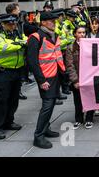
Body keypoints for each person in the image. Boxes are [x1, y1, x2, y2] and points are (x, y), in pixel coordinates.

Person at [26, 11, 65, 149]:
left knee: (51, 103)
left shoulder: (52, 35)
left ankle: (46, 128)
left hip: (54, 74)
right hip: (45, 76)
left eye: (54, 21)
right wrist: (41, 80)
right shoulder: (35, 37)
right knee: (47, 105)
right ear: (43, 23)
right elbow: (32, 62)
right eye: (51, 21)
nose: (54, 23)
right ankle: (38, 136)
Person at [0, 14, 28, 143]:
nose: (13, 26)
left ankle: (9, 121)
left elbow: (26, 40)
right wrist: (20, 44)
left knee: (14, 99)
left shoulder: (17, 34)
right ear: (2, 24)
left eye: (14, 23)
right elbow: (4, 48)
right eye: (10, 24)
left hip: (16, 71)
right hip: (2, 72)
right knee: (1, 100)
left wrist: (19, 42)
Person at [65, 26, 95, 130]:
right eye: (79, 32)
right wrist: (75, 80)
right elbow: (70, 66)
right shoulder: (70, 48)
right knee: (77, 100)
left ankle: (89, 119)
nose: (82, 34)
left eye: (83, 33)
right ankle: (79, 119)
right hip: (78, 77)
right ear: (75, 34)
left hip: (89, 77)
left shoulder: (91, 46)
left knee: (90, 99)